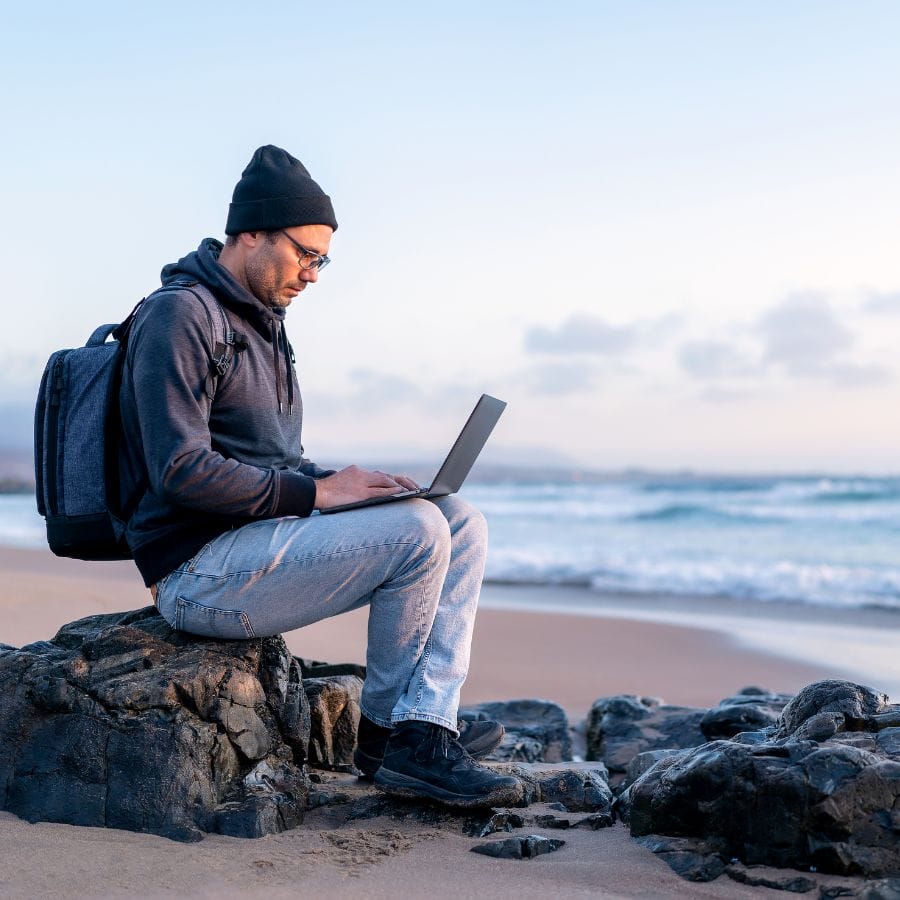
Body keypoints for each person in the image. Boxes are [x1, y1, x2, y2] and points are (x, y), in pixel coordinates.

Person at [117, 145, 520, 809]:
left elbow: (273, 464)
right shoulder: (181, 316)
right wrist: (316, 494)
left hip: (255, 542)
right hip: (195, 572)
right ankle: (391, 738)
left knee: (458, 520)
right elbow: (179, 471)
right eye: (305, 254)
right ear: (250, 234)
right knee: (420, 532)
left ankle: (424, 724)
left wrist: (347, 483)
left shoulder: (266, 326)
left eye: (322, 259)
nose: (313, 274)